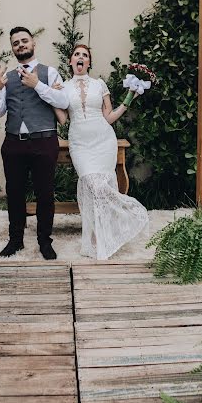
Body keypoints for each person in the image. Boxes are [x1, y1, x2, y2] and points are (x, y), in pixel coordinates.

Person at [54, 44, 149, 260]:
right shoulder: (64, 87)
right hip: (79, 143)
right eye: (77, 54)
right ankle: (128, 215)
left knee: (101, 186)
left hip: (103, 140)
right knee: (92, 183)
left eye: (85, 55)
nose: (80, 57)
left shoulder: (99, 84)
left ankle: (100, 237)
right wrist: (51, 97)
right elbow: (62, 119)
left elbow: (109, 117)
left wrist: (129, 97)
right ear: (70, 61)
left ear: (88, 62)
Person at [0, 26, 69, 260]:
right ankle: (15, 240)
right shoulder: (7, 77)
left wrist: (37, 84)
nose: (20, 45)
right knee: (14, 193)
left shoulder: (50, 72)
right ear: (13, 48)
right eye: (16, 43)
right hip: (14, 143)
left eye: (24, 41)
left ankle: (45, 241)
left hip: (44, 141)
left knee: (45, 193)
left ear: (33, 44)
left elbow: (63, 101)